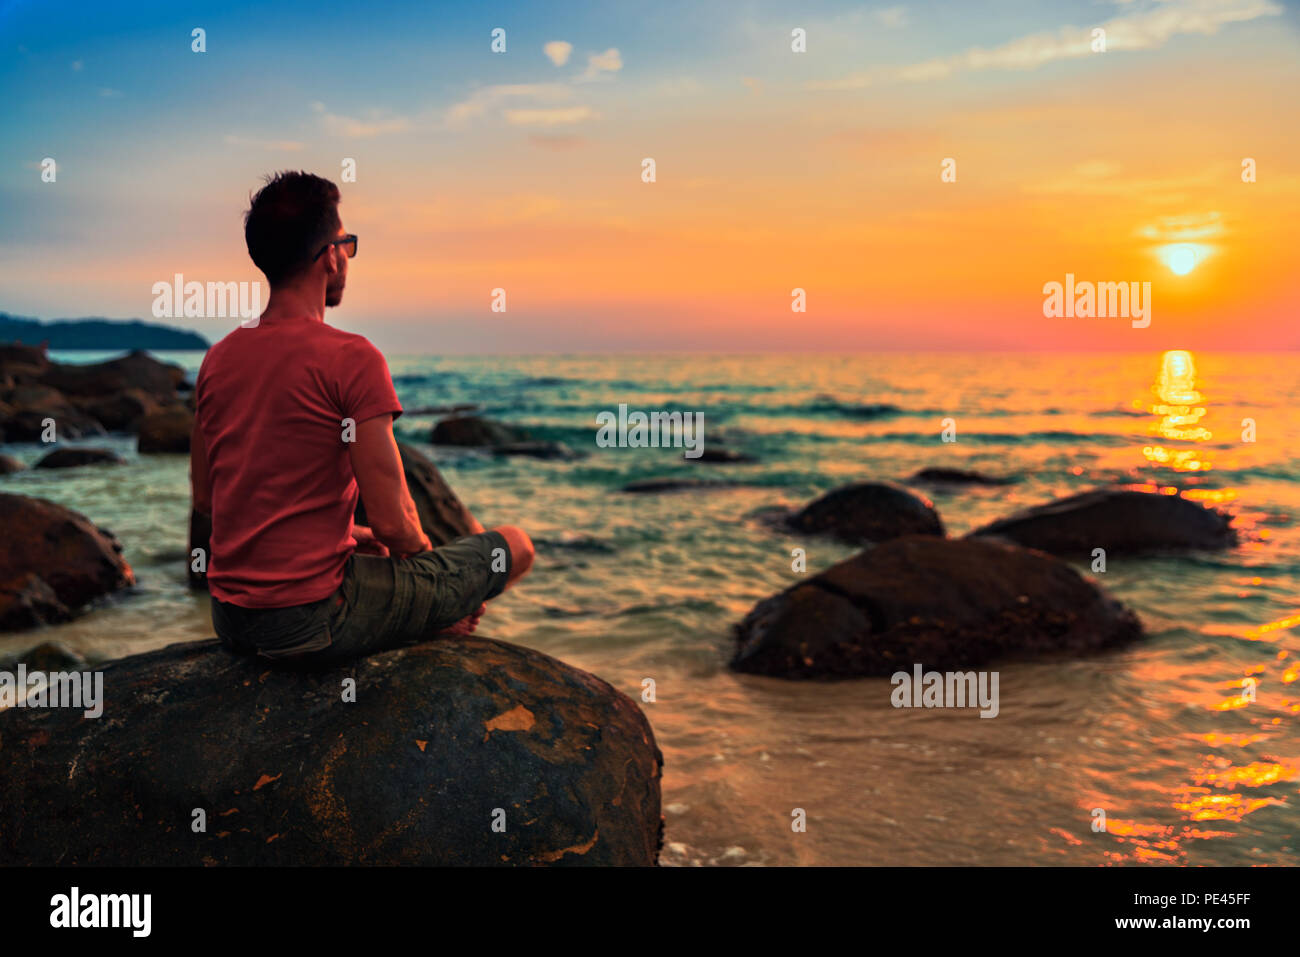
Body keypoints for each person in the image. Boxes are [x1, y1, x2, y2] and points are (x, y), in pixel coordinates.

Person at [190, 170, 533, 666]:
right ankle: (436, 623)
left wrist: (351, 538)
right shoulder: (352, 358)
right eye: (346, 243)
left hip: (232, 621)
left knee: (373, 551)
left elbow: (207, 500)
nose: (347, 255)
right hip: (314, 621)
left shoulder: (217, 360)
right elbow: (396, 524)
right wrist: (440, 586)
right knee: (515, 546)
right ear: (330, 254)